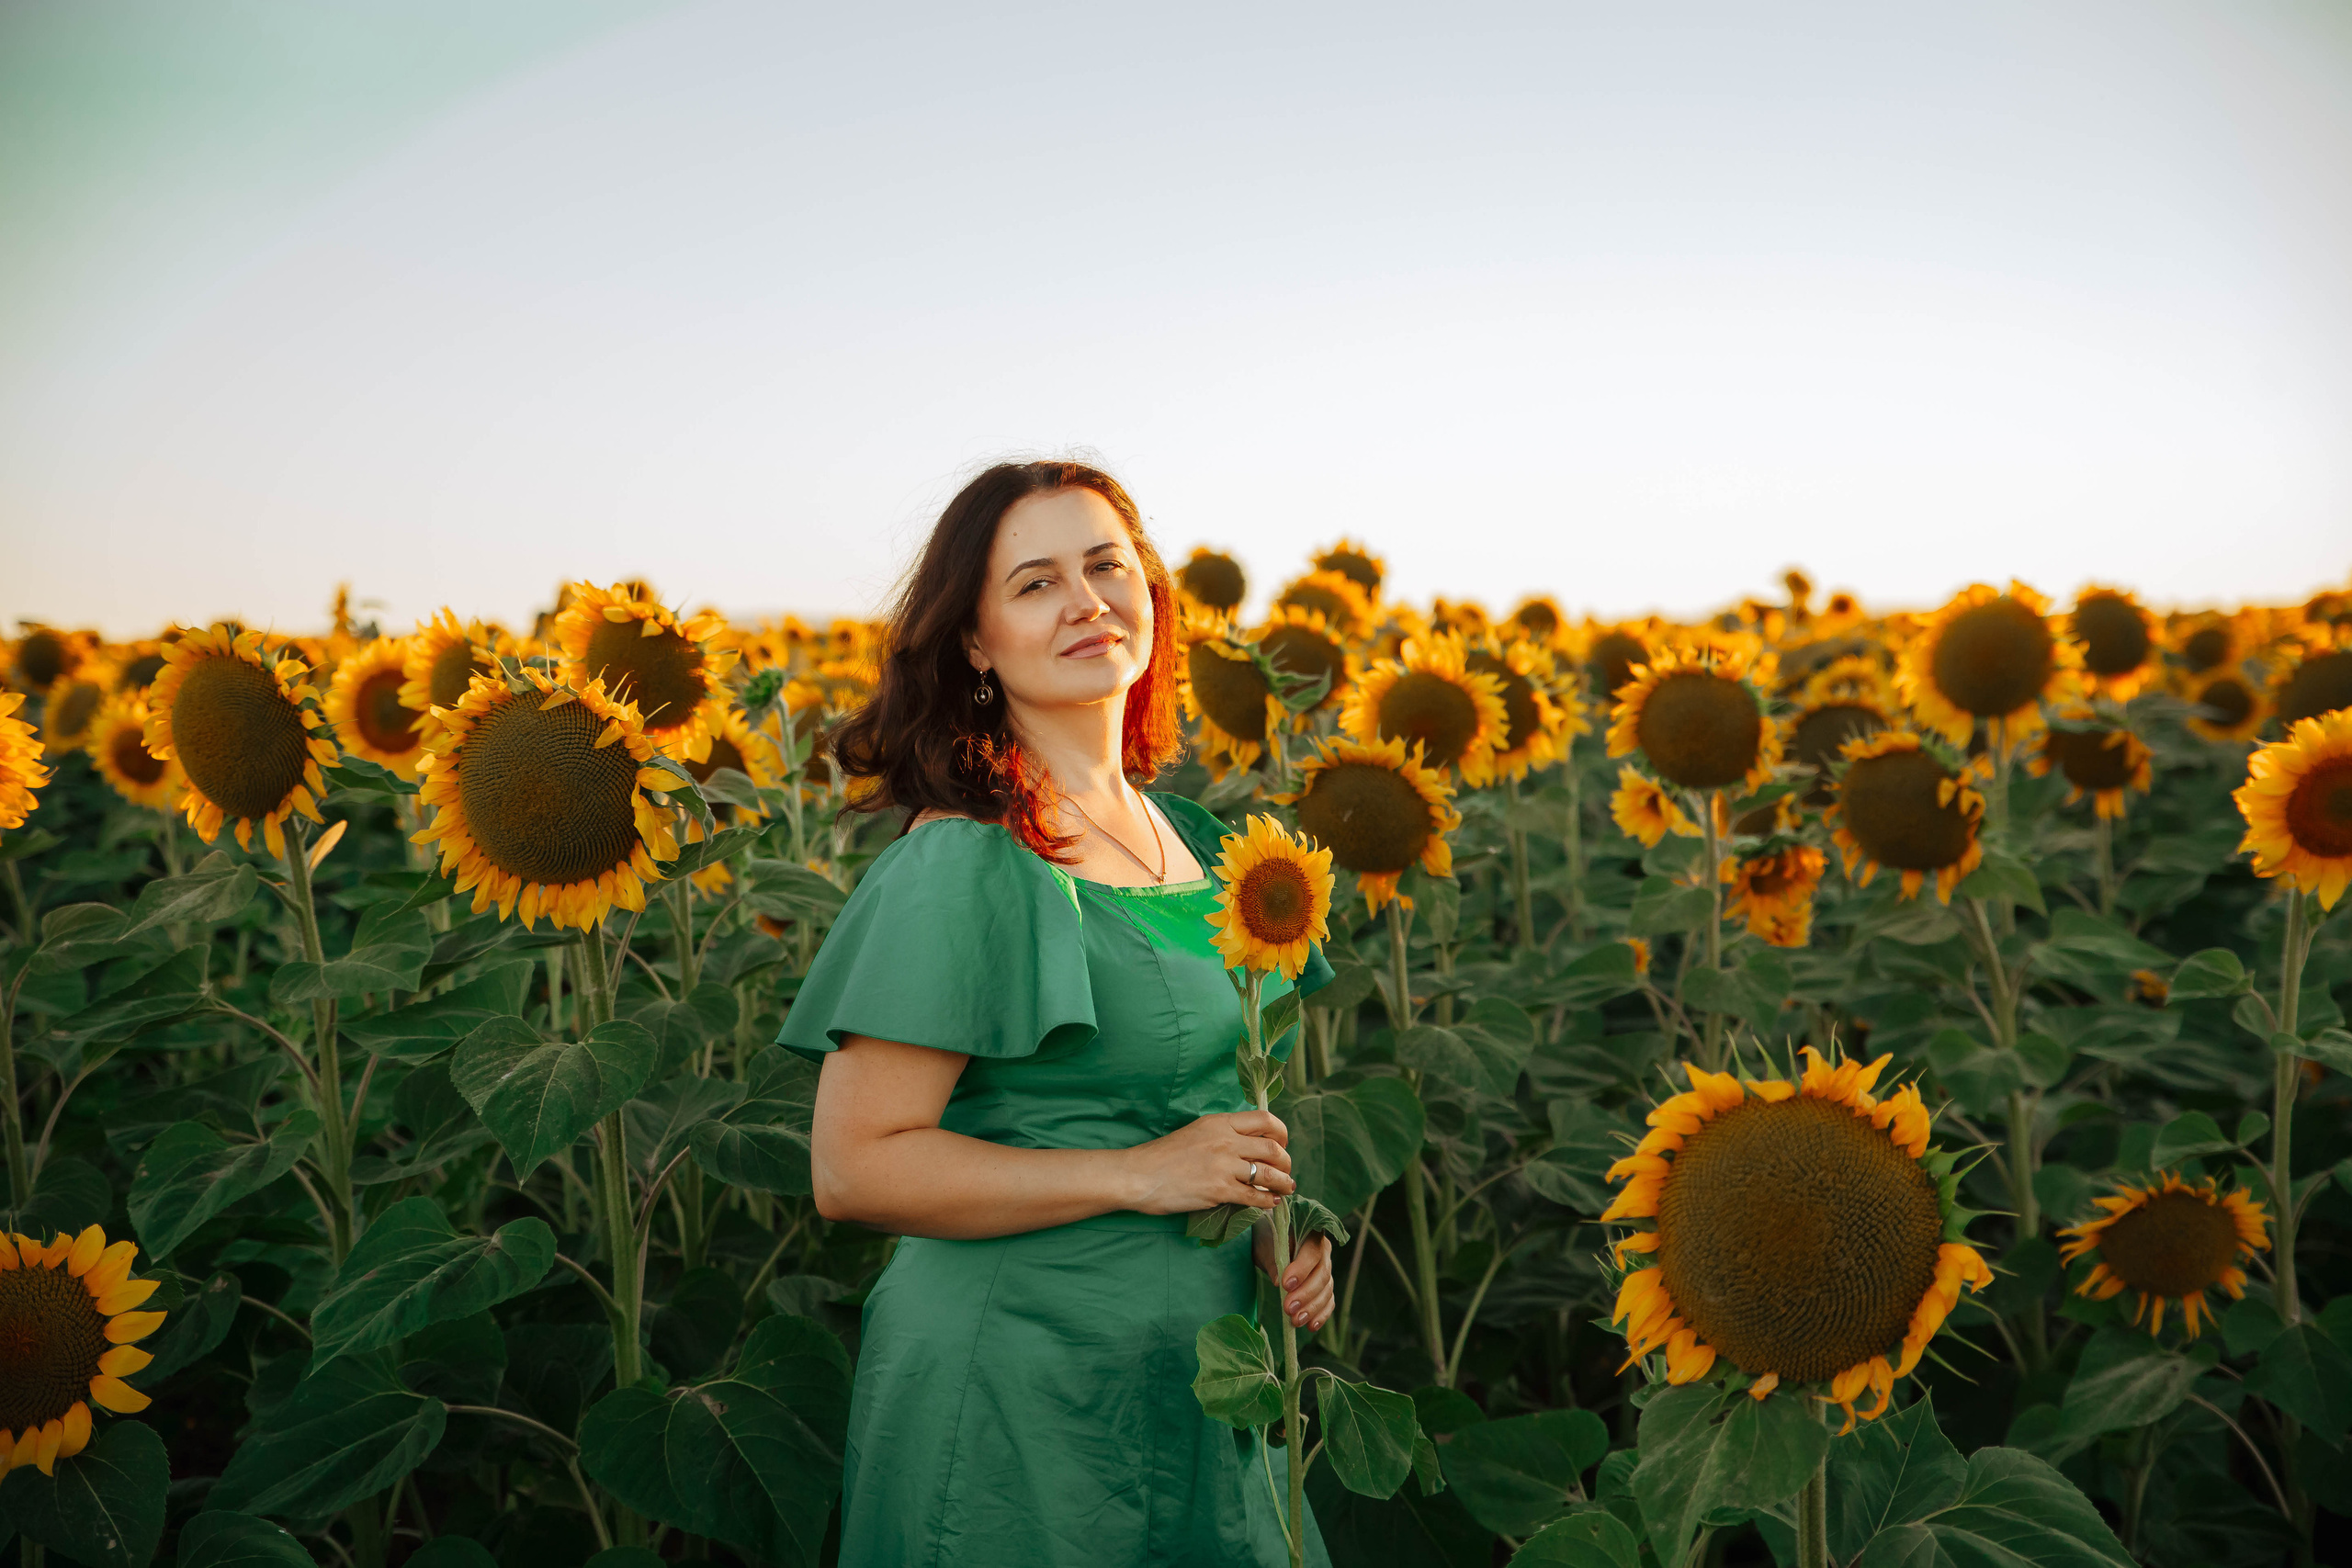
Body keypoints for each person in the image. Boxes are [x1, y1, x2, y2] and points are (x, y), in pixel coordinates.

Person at [779, 459, 1338, 1567]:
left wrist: (1289, 1224)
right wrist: (1140, 1174)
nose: (1084, 600)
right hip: (1021, 1391)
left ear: (1152, 595)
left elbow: (1229, 1091)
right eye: (1035, 584)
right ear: (976, 643)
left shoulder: (1215, 847)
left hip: (1211, 1376)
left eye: (1105, 566)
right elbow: (854, 1170)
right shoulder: (970, 858)